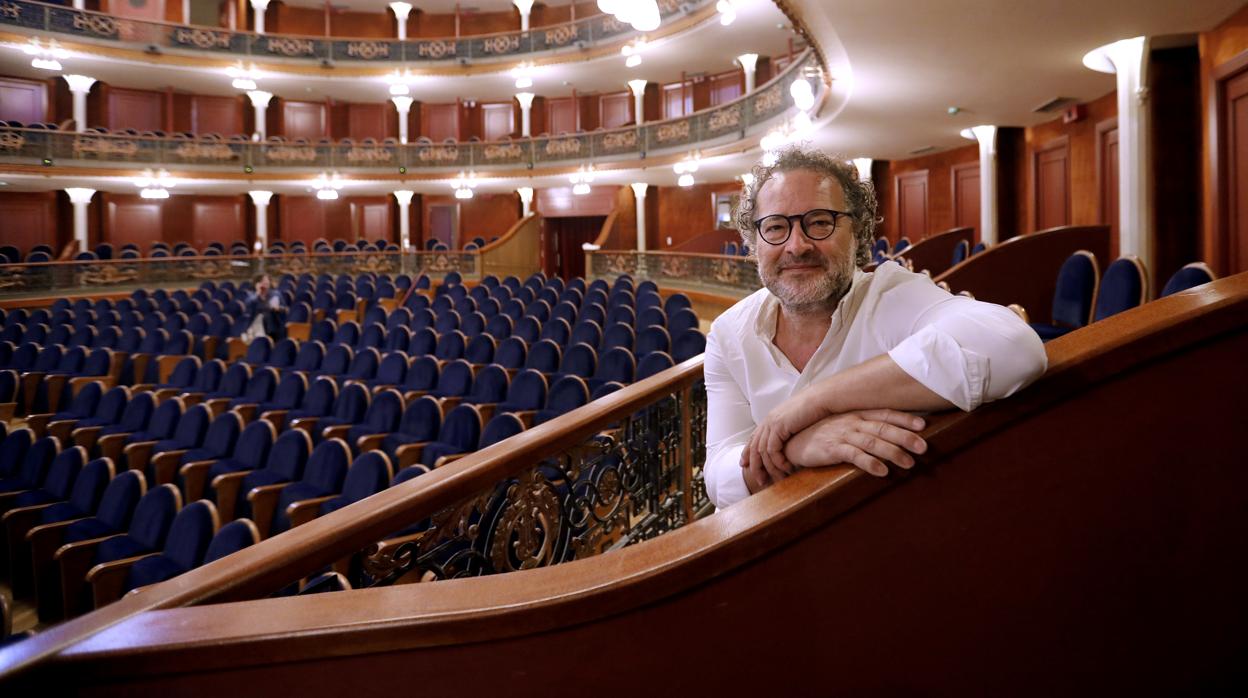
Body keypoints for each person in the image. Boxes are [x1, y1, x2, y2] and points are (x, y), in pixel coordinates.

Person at [704, 145, 1047, 509]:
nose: (797, 245)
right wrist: (794, 447)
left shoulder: (892, 295)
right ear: (754, 244)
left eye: (820, 222)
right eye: (775, 227)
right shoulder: (729, 334)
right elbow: (718, 476)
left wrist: (816, 402)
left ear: (858, 232)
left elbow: (1015, 346)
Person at [243, 273, 286, 341]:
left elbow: (284, 308)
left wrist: (278, 308)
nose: (264, 283)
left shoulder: (275, 294)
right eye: (262, 281)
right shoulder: (252, 296)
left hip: (273, 324)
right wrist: (258, 293)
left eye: (266, 281)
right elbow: (248, 306)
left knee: (268, 316)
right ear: (256, 284)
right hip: (256, 324)